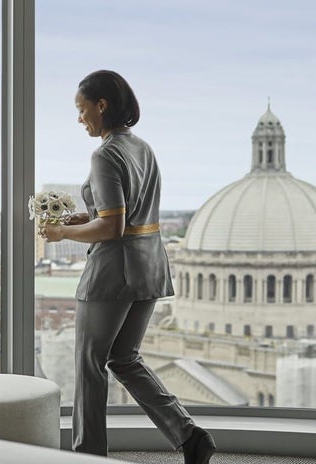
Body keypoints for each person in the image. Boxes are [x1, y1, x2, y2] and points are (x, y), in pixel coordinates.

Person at [41, 70, 216, 464]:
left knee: (90, 364)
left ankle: (87, 456)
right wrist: (79, 218)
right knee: (124, 358)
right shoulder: (142, 148)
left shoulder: (104, 154)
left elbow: (112, 226)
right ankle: (189, 436)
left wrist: (61, 235)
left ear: (101, 106)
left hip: (113, 273)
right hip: (149, 267)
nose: (80, 118)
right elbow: (125, 214)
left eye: (82, 109)